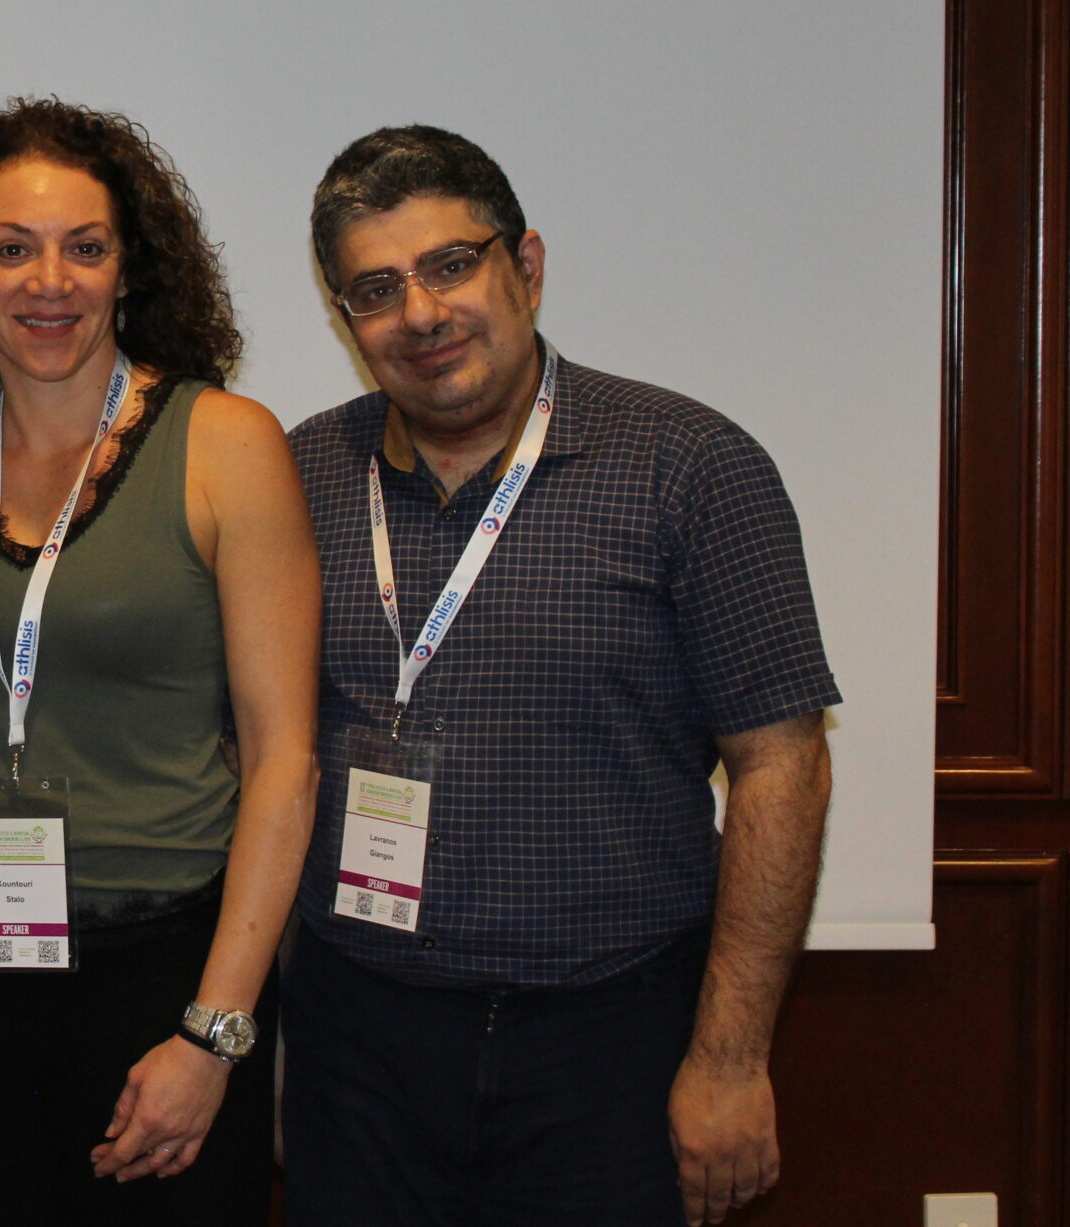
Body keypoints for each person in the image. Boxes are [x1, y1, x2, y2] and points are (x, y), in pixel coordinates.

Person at [278, 125, 840, 1227]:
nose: (420, 314)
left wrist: (729, 1060)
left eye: (450, 265)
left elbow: (784, 767)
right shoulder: (299, 477)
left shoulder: (691, 466)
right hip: (360, 1044)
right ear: (346, 320)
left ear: (525, 267)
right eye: (377, 290)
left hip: (611, 1043)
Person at [0, 99, 319, 1225]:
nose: (49, 282)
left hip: (162, 986)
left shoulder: (225, 445)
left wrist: (215, 1034)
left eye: (84, 248)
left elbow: (284, 765)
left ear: (128, 270)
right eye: (13, 249)